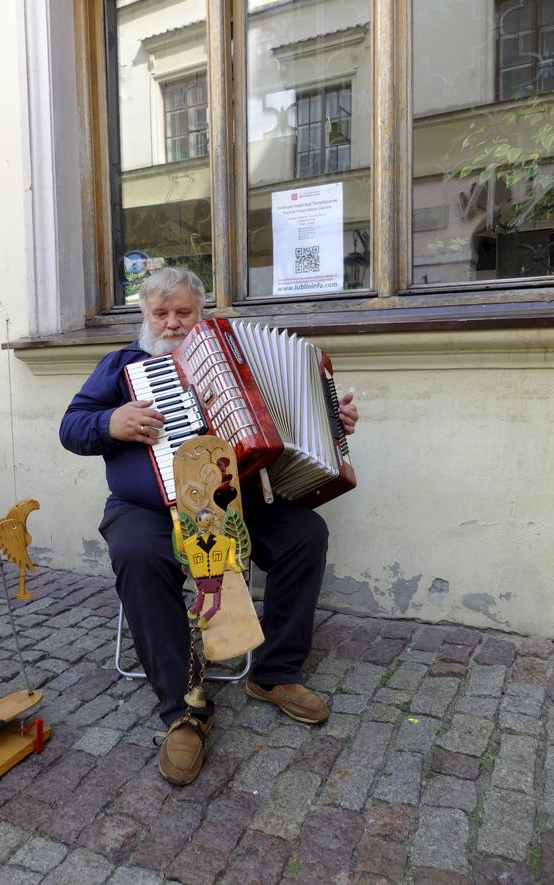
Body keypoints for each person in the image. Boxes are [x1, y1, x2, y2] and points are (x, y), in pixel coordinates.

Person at [59, 266, 359, 785]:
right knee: (136, 553)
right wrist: (111, 422)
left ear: (201, 313)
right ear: (145, 316)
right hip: (148, 509)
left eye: (184, 312)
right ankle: (183, 709)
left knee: (305, 535)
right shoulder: (121, 366)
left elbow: (289, 419)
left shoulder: (233, 365)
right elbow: (71, 426)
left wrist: (333, 420)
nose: (173, 323)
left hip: (232, 503)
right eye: (161, 313)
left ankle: (275, 674)